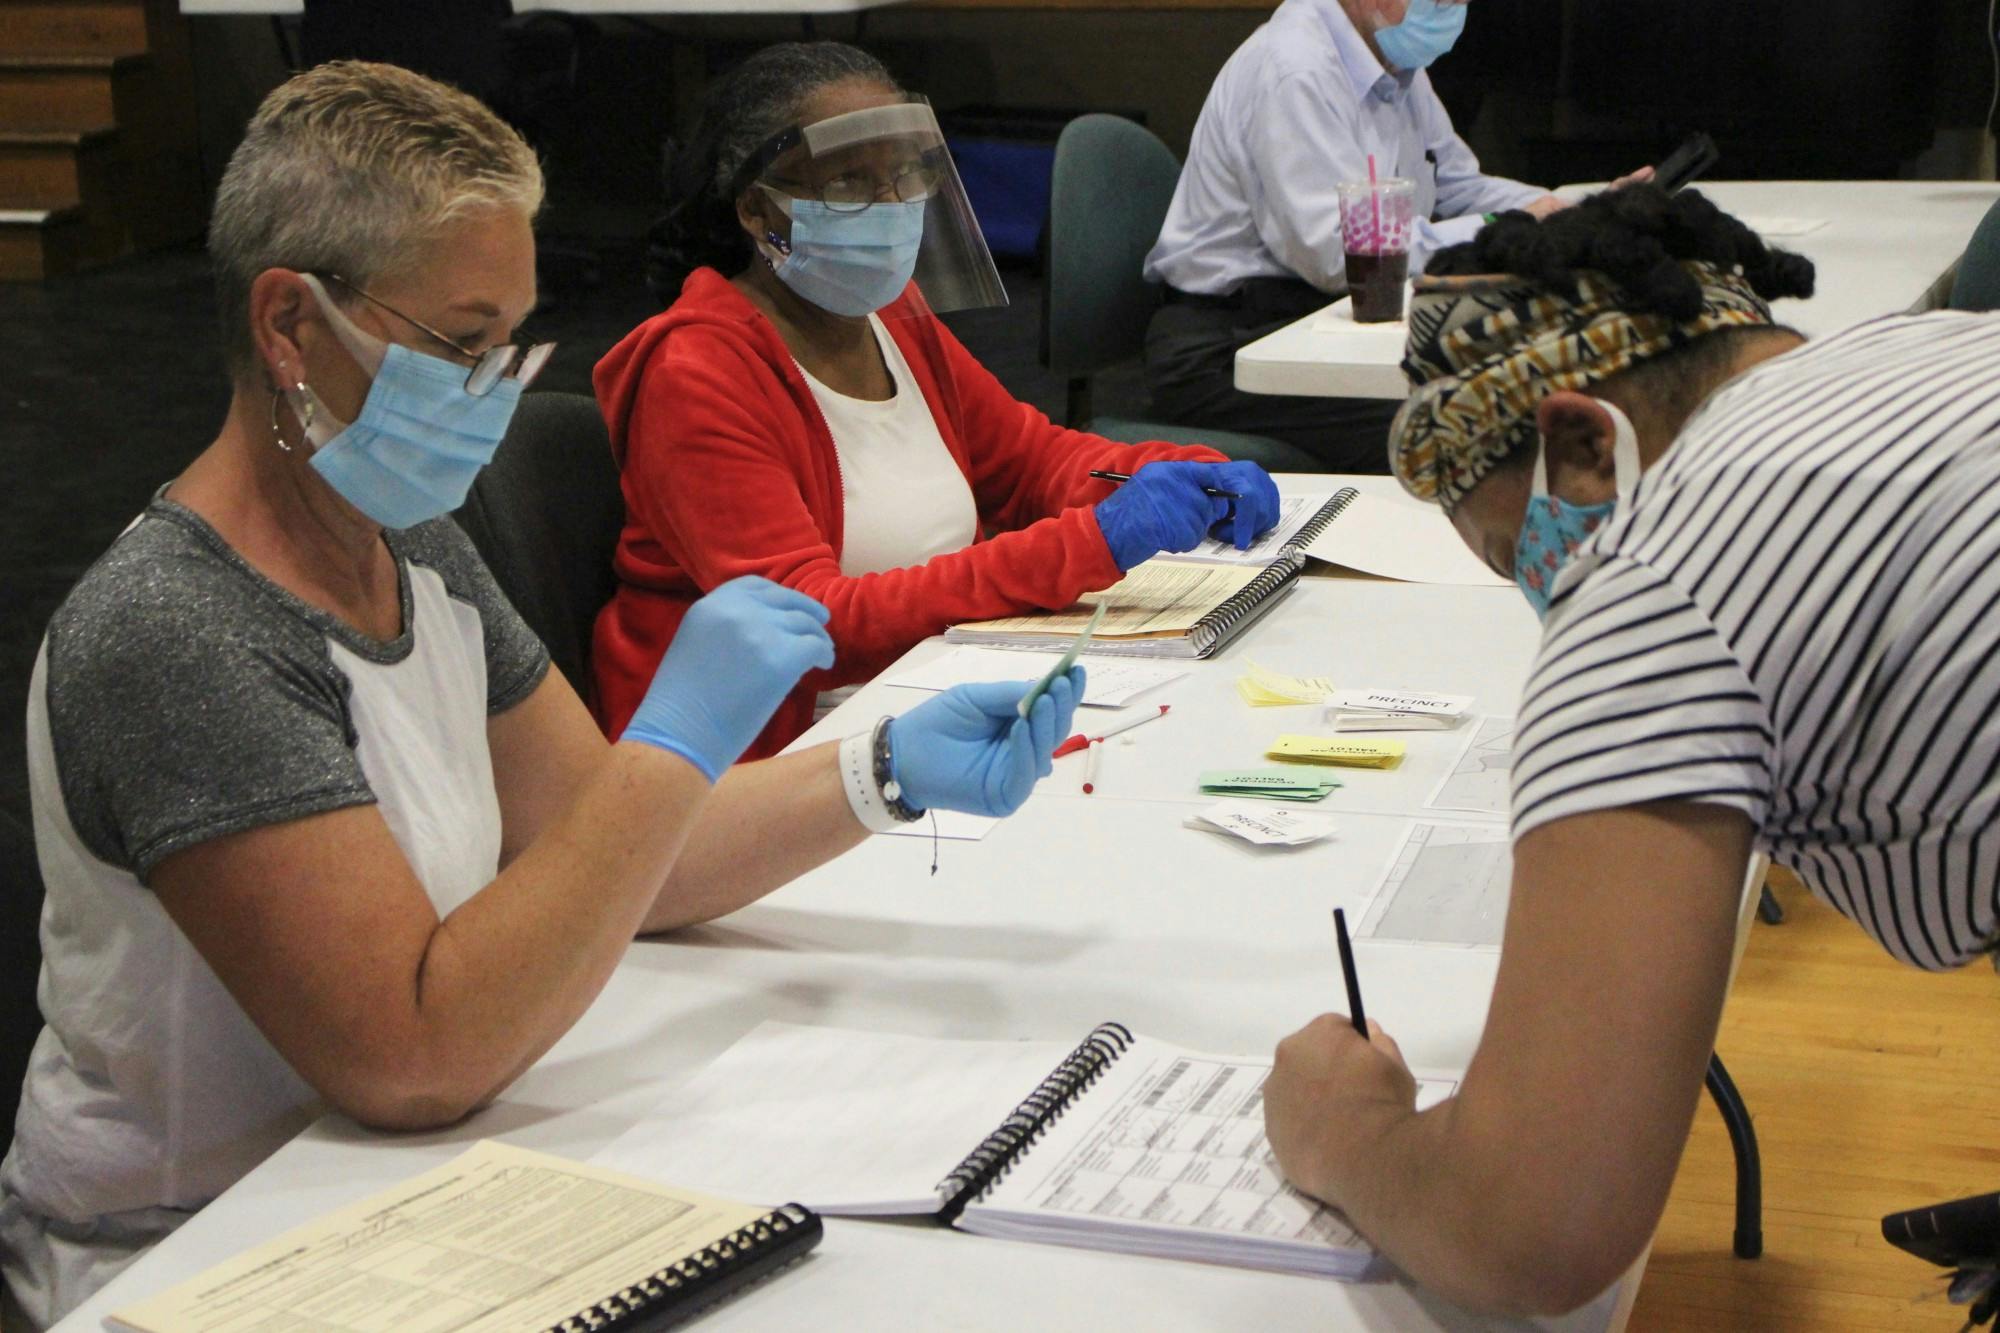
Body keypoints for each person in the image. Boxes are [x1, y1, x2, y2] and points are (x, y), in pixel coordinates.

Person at [0, 62, 1084, 1331]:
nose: (490, 388)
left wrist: (879, 768)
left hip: (392, 1196)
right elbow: (412, 1053)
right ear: (288, 326)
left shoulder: (404, 541)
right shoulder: (181, 633)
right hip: (195, 1258)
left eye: (506, 339)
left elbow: (630, 860)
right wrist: (675, 741)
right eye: (460, 342)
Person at [1260, 184, 2000, 1314]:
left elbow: (1529, 1234)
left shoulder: (1652, 586)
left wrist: (1342, 1132)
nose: (1547, 594)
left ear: (1578, 442)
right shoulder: (1934, 350)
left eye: (1520, 553)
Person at [593, 41, 1282, 759]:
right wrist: (1094, 541)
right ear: (759, 210)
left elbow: (1031, 460)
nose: (891, 207)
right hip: (765, 761)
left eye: (903, 177)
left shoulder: (889, 316)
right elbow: (811, 628)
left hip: (922, 702)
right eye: (850, 184)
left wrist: (1173, 468)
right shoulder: (694, 371)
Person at [1143, 0, 1644, 470]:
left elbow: (1458, 184)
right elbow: (1338, 255)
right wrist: (1507, 229)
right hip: (1226, 348)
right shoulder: (1296, 70)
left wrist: (1579, 212)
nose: (1450, 10)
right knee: (1463, 426)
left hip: (1323, 321)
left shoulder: (1391, 60)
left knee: (1538, 375)